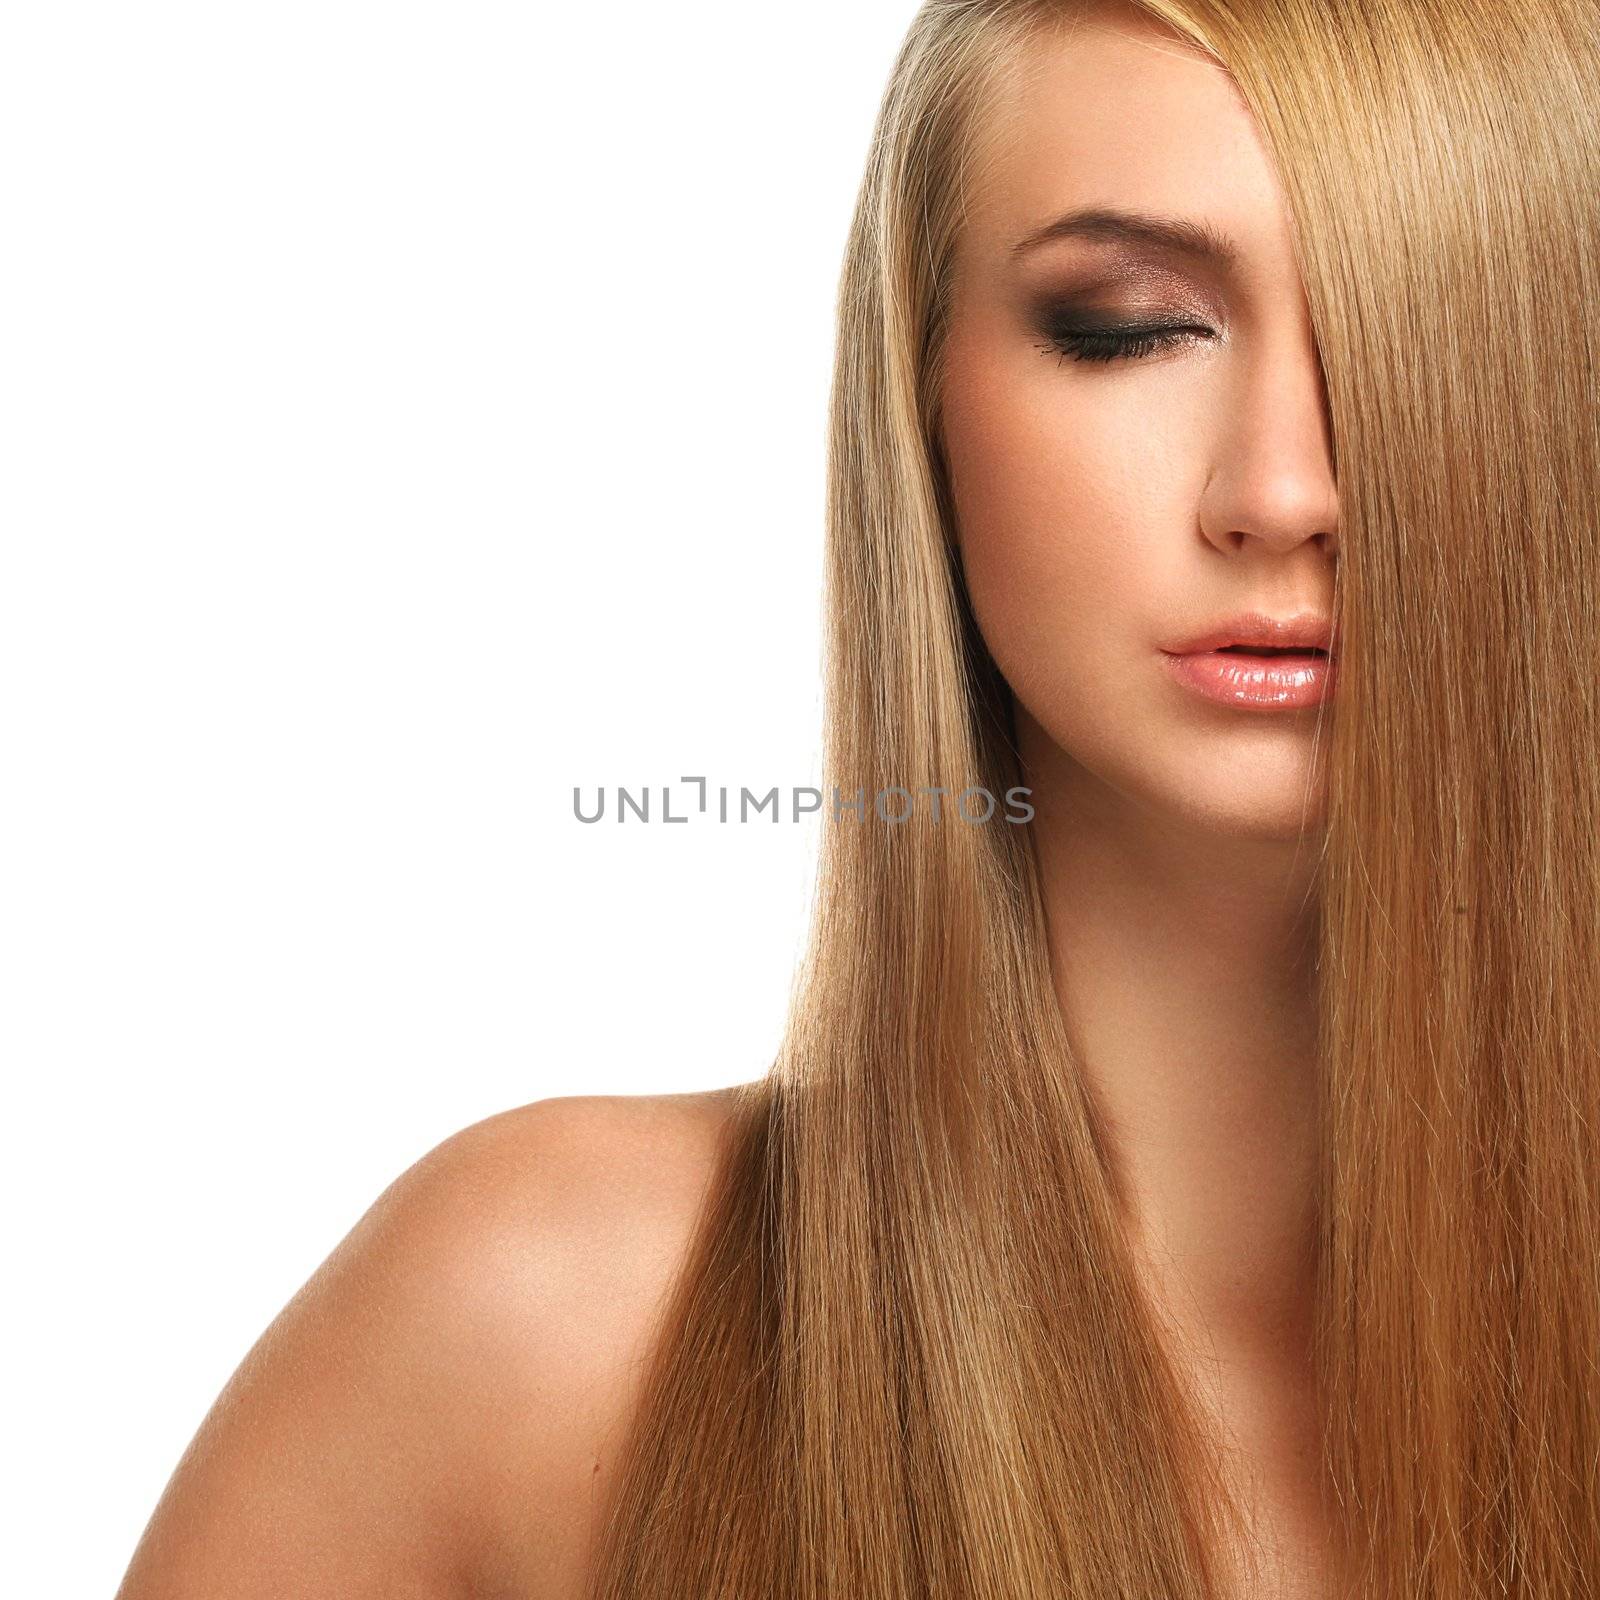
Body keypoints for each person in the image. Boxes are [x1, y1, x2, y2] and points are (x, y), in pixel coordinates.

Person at [114, 1, 1600, 1596]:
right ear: (924, 396)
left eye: (1428, 332)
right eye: (1127, 328)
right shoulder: (544, 1327)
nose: (1283, 492)